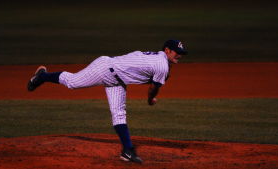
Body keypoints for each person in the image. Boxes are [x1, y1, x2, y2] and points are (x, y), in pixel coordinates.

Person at [27, 39, 187, 163]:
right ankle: (42, 76)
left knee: (119, 114)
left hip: (116, 79)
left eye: (181, 52)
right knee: (73, 82)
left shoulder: (160, 59)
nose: (179, 55)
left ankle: (127, 151)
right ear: (167, 50)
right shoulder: (162, 65)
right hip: (105, 68)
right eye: (176, 52)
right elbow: (153, 88)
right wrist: (151, 99)